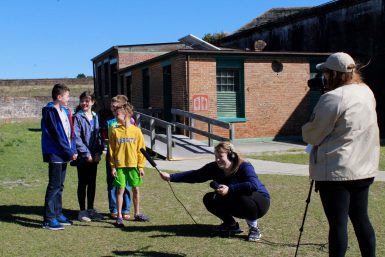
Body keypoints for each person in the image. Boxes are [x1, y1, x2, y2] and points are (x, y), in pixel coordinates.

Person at [302, 52, 379, 257]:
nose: (324, 77)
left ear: (333, 74)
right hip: (363, 168)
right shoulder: (366, 91)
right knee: (361, 219)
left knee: (338, 224)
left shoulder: (332, 98)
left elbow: (312, 133)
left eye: (326, 72)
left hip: (336, 170)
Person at [159, 141, 270, 241]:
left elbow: (253, 185)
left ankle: (254, 229)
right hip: (237, 201)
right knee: (209, 198)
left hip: (259, 202)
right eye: (215, 156)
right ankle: (231, 225)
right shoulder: (214, 167)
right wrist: (171, 177)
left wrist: (230, 189)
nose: (217, 159)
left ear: (231, 156)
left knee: (241, 195)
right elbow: (196, 175)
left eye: (220, 156)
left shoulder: (244, 166)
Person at [41, 83, 77, 230]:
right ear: (59, 97)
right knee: (54, 185)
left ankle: (57, 213)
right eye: (67, 96)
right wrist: (69, 151)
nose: (69, 99)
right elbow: (57, 135)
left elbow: (70, 132)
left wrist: (72, 149)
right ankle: (48, 219)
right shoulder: (50, 111)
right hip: (56, 153)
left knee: (60, 185)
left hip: (65, 152)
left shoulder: (65, 111)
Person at [108, 103, 149, 227]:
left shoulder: (136, 131)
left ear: (125, 115)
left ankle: (137, 213)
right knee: (120, 190)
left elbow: (141, 150)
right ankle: (119, 216)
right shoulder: (115, 131)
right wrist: (113, 166)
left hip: (133, 166)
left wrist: (140, 167)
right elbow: (111, 151)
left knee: (135, 189)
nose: (116, 116)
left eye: (118, 114)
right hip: (120, 167)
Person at [73, 91, 104, 222]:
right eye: (82, 101)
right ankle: (82, 211)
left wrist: (98, 152)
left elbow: (99, 136)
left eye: (87, 100)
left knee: (92, 183)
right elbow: (77, 137)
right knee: (83, 183)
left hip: (94, 157)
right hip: (83, 157)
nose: (84, 103)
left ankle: (91, 209)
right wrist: (86, 154)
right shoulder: (78, 117)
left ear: (92, 102)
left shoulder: (96, 117)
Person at [104, 95, 134, 220]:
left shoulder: (131, 122)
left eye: (115, 106)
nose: (113, 108)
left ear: (123, 107)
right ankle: (114, 209)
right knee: (112, 184)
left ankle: (126, 209)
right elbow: (107, 139)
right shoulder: (109, 122)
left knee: (126, 184)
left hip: (127, 159)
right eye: (112, 106)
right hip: (112, 157)